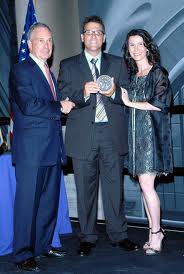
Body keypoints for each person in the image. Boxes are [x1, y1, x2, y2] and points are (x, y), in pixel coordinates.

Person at [57, 15, 139, 256]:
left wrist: (114, 92)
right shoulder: (68, 65)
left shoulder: (118, 64)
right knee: (85, 191)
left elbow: (127, 98)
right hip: (83, 136)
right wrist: (81, 94)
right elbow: (63, 97)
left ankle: (119, 235)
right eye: (89, 32)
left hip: (112, 136)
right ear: (82, 37)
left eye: (98, 32)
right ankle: (87, 237)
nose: (93, 36)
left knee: (115, 189)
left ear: (103, 38)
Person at [10, 22, 75, 271]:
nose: (47, 45)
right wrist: (60, 106)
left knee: (48, 202)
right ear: (29, 44)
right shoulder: (21, 70)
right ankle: (23, 254)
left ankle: (43, 245)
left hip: (50, 147)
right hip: (31, 151)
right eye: (41, 40)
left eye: (49, 41)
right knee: (28, 204)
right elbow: (29, 105)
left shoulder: (49, 72)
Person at [121, 29, 173, 255]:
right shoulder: (133, 77)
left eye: (140, 44)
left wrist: (129, 102)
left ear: (148, 47)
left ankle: (155, 233)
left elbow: (160, 104)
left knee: (147, 186)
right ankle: (155, 231)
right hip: (135, 137)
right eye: (131, 45)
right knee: (144, 188)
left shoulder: (158, 72)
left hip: (150, 137)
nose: (136, 49)